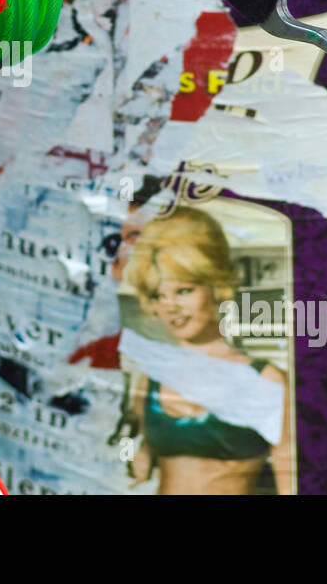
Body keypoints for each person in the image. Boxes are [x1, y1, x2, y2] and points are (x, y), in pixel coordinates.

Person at [119, 205, 292, 494]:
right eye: (158, 295)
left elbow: (291, 480)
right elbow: (135, 463)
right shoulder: (150, 380)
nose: (170, 306)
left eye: (184, 291)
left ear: (216, 287)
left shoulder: (265, 381)